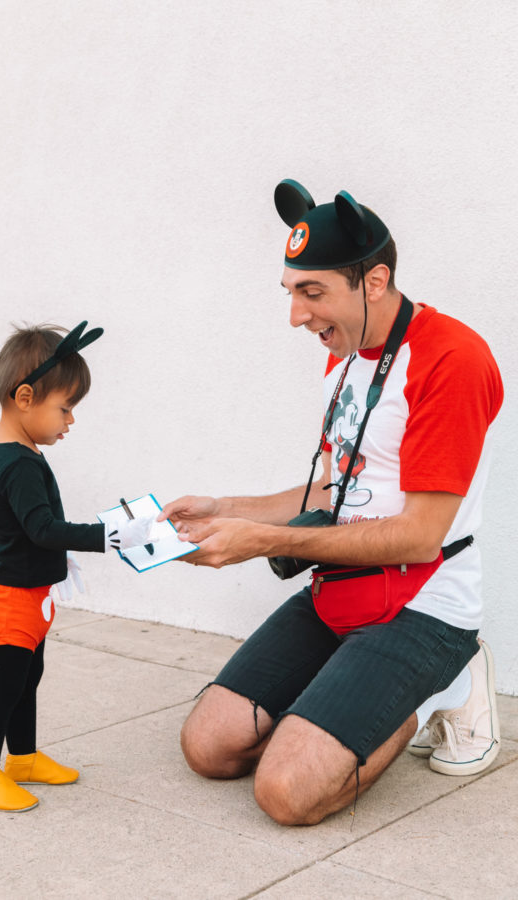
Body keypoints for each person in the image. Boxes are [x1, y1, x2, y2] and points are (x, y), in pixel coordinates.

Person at [158, 181, 504, 826]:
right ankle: (346, 702)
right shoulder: (346, 354)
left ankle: (441, 689)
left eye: (312, 293)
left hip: (422, 601)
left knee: (286, 794)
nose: (297, 316)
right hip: (343, 586)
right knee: (210, 747)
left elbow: (418, 536)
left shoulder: (451, 359)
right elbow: (331, 491)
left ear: (374, 281)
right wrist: (224, 507)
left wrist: (265, 540)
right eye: (291, 292)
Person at [0, 321, 155, 812]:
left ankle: (23, 759)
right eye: (66, 408)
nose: (70, 421)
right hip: (8, 601)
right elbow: (42, 527)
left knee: (28, 680)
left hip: (28, 595)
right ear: (25, 397)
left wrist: (55, 562)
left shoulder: (18, 451)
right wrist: (109, 535)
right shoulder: (17, 463)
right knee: (2, 691)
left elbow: (18, 530)